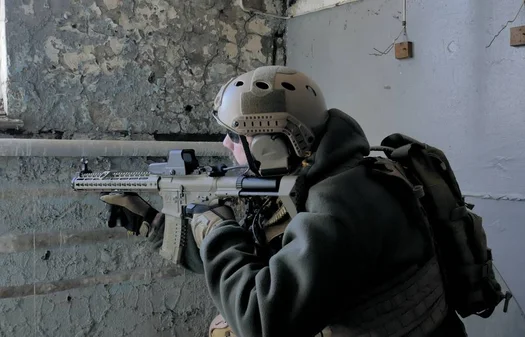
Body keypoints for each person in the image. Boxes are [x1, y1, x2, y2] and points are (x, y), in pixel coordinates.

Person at [100, 66, 468, 337]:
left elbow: (261, 321)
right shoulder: (329, 176)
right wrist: (153, 222)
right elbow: (254, 260)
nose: (226, 146)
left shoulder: (338, 202)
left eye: (234, 137)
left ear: (269, 144)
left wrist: (214, 225)